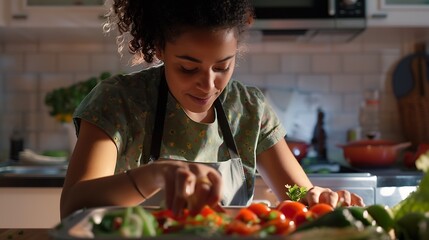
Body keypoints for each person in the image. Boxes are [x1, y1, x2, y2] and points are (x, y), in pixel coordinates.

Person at [60, 0, 364, 219]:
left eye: (222, 67)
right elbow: (73, 206)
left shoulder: (248, 109)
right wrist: (153, 176)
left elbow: (299, 198)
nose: (207, 85)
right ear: (160, 48)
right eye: (188, 68)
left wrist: (319, 199)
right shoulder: (119, 102)